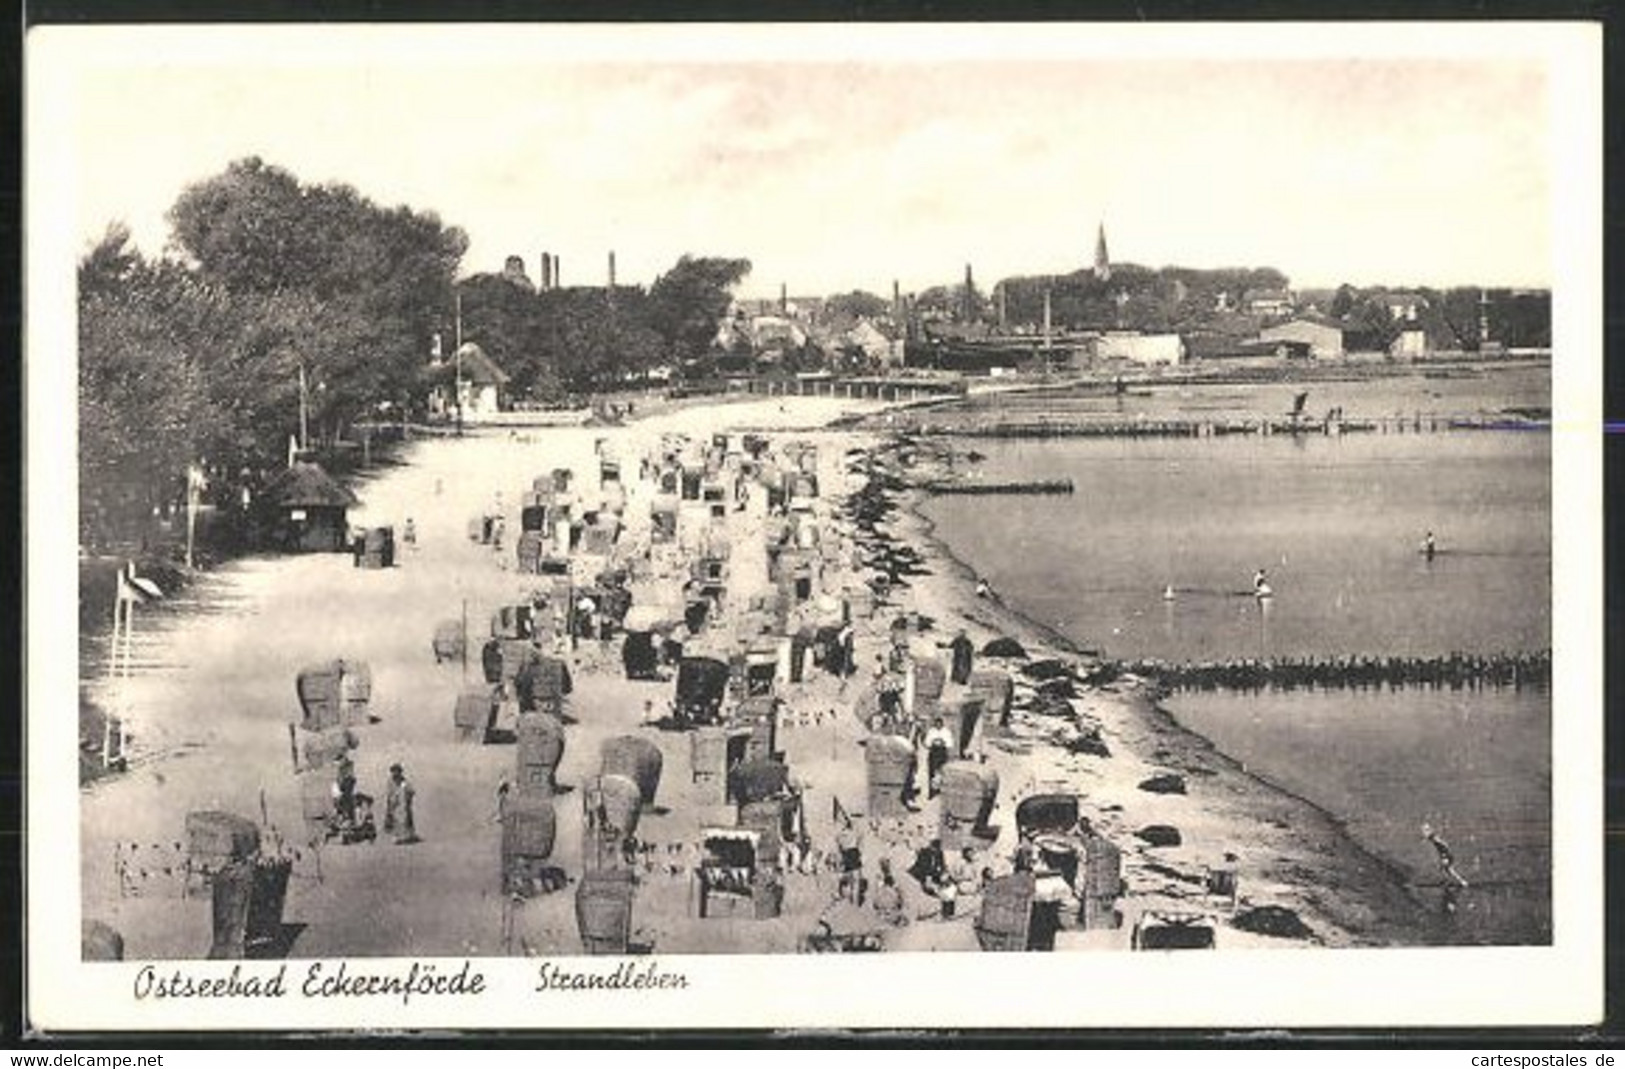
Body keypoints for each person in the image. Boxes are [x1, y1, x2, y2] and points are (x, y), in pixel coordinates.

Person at [1421, 823, 1468, 888]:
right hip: (1445, 854)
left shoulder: (1434, 837)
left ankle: (1462, 882)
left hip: (1446, 855)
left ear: (1429, 830)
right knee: (1444, 869)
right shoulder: (1431, 837)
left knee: (1449, 869)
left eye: (1425, 830)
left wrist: (1444, 854)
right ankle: (1448, 881)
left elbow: (1444, 844)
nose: (1423, 832)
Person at [385, 763, 419, 845]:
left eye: (396, 772)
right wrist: (389, 802)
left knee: (405, 819)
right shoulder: (390, 781)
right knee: (395, 820)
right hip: (394, 804)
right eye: (393, 772)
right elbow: (389, 793)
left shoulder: (404, 781)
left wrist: (408, 799)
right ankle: (397, 837)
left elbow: (410, 791)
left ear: (400, 772)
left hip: (402, 803)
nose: (395, 774)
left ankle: (408, 835)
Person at [924, 717, 954, 797]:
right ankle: (932, 793)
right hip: (933, 753)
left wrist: (942, 742)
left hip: (942, 754)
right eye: (936, 724)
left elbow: (950, 744)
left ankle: (940, 792)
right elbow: (927, 743)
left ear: (942, 724)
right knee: (932, 773)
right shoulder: (931, 731)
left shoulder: (946, 732)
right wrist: (933, 742)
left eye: (939, 724)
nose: (938, 725)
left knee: (941, 773)